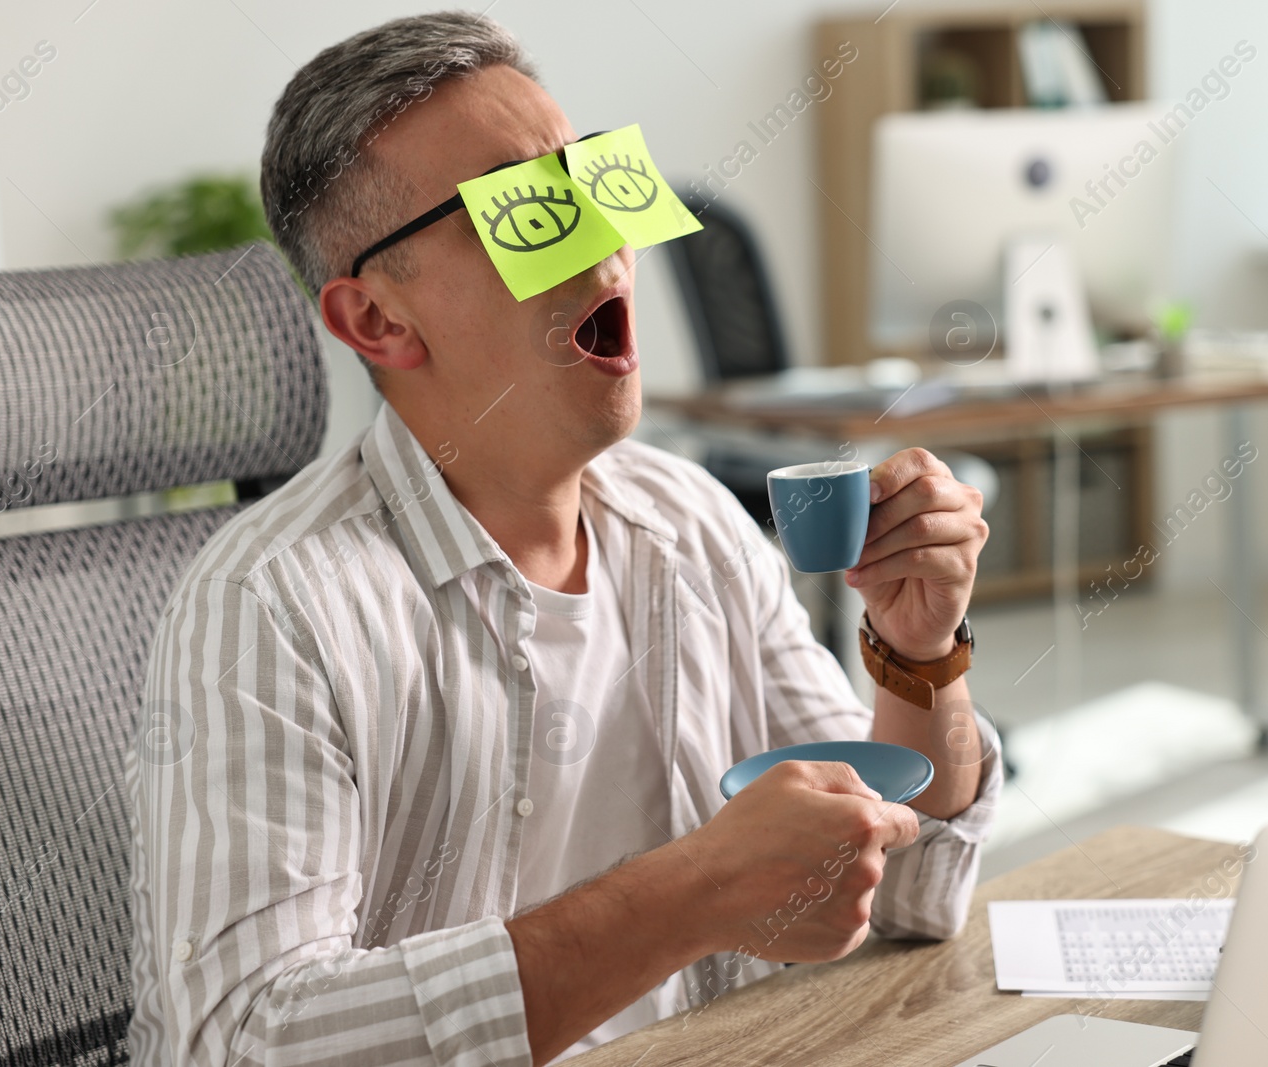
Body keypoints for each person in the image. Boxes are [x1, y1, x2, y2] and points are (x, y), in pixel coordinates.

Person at [126, 11, 1000, 1066]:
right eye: (530, 207)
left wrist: (918, 655)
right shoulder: (272, 607)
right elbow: (242, 1038)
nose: (605, 236)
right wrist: (693, 893)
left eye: (594, 177)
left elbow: (907, 892)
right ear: (378, 322)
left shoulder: (687, 521)